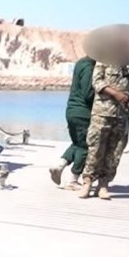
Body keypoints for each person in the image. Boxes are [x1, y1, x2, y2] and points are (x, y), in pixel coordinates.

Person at [79, 60, 129, 200]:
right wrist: (116, 94)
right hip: (102, 112)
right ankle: (87, 182)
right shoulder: (104, 58)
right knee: (95, 149)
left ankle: (103, 184)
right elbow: (97, 81)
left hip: (122, 114)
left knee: (115, 152)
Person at [49, 56, 95, 190]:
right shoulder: (89, 66)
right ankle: (73, 180)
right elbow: (88, 93)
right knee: (85, 146)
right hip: (83, 112)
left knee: (77, 143)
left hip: (72, 109)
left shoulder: (81, 62)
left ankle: (60, 165)